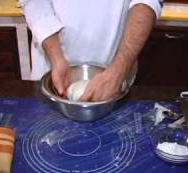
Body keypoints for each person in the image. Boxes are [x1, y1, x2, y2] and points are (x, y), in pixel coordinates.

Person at [19, 0, 163, 101]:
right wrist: (56, 58)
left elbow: (147, 2)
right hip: (49, 76)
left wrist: (119, 70)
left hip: (115, 80)